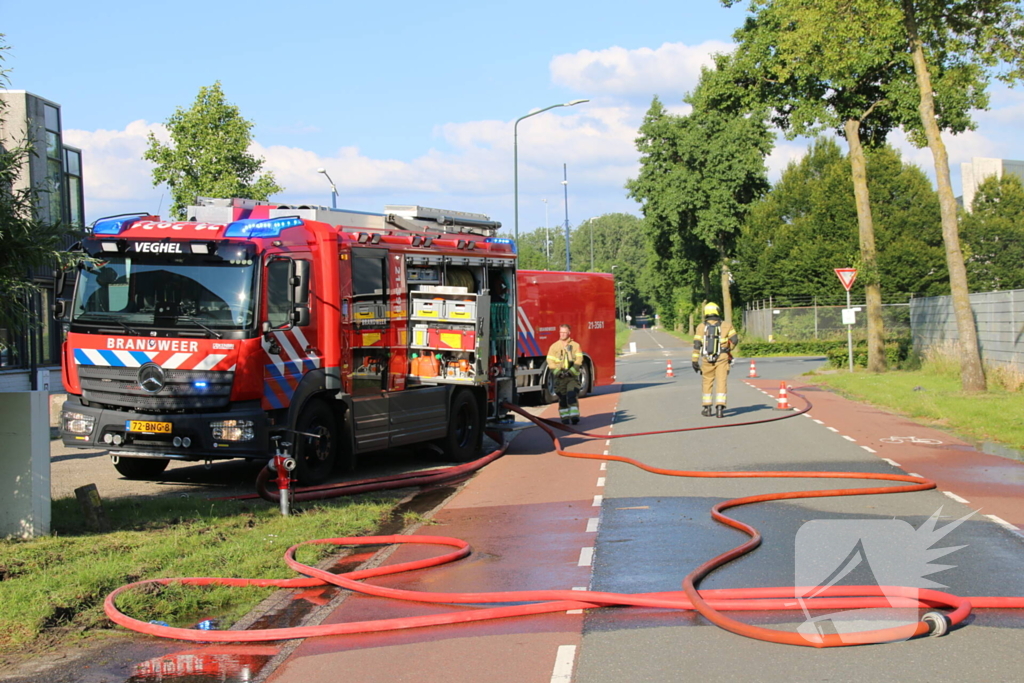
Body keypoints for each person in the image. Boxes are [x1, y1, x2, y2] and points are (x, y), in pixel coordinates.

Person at [691, 302, 738, 418]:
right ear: (717, 311)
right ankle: (720, 408)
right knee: (721, 381)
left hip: (707, 358)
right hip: (722, 357)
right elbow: (735, 340)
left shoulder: (701, 327)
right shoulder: (727, 325)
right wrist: (728, 348)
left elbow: (697, 344)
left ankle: (707, 408)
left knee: (707, 382)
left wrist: (695, 360)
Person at [546, 324, 584, 424]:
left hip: (572, 377)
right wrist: (558, 373)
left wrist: (571, 372)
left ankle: (574, 416)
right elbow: (550, 362)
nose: (562, 334)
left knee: (571, 395)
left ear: (569, 333)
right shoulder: (554, 347)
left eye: (564, 332)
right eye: (561, 332)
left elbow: (579, 360)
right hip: (560, 378)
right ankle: (565, 418)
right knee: (562, 398)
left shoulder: (576, 346)